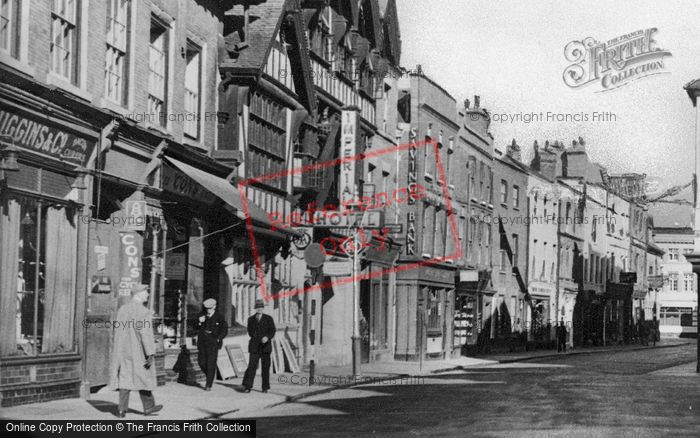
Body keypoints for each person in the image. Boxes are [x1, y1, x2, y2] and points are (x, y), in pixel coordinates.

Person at [109, 284, 163, 418]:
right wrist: (150, 352)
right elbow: (145, 334)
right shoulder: (143, 312)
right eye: (146, 292)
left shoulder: (123, 309)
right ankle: (149, 407)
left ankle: (122, 410)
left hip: (124, 350)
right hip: (138, 351)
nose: (148, 295)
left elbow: (117, 330)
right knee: (143, 377)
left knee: (125, 379)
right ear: (138, 294)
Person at [242, 299, 276, 393]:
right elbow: (250, 332)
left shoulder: (268, 318)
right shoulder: (251, 319)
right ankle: (247, 386)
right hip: (254, 347)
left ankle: (265, 387)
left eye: (261, 307)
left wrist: (267, 337)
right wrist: (257, 338)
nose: (259, 309)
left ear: (263, 308)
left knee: (265, 368)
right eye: (257, 307)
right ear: (255, 308)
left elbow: (272, 330)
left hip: (265, 347)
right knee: (251, 366)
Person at [197, 298, 228, 391]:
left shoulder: (219, 317)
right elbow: (194, 327)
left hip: (214, 342)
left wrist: (219, 338)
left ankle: (208, 384)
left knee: (211, 362)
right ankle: (210, 375)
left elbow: (224, 330)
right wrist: (199, 322)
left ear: (214, 307)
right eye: (207, 308)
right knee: (201, 362)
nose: (208, 310)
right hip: (203, 342)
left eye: (210, 308)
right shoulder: (201, 315)